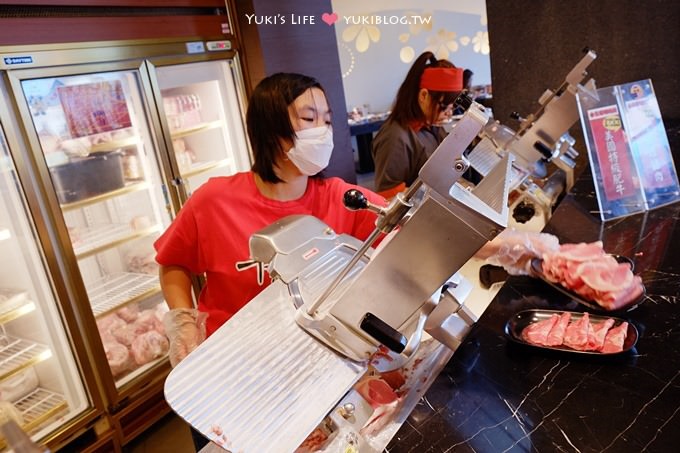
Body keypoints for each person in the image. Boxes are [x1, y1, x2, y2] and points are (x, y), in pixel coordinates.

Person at [154, 72, 386, 451]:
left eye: (326, 119)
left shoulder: (341, 197)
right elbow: (173, 263)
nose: (322, 130)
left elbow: (401, 224)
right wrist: (182, 323)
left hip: (308, 371)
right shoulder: (214, 201)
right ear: (269, 127)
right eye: (308, 118)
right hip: (229, 373)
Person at [371, 51, 463, 199]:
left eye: (452, 107)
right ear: (423, 96)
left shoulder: (431, 126)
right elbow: (387, 196)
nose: (449, 113)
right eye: (444, 106)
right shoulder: (395, 138)